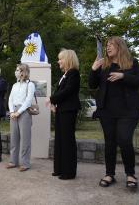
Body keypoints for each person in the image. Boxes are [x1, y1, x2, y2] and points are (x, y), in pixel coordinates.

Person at [89, 36, 139, 189]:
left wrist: (123, 76)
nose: (108, 47)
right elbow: (92, 85)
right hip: (107, 111)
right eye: (107, 45)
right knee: (110, 143)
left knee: (125, 140)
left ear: (120, 47)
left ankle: (130, 174)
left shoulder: (132, 63)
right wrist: (94, 69)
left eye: (111, 45)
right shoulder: (103, 65)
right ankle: (109, 174)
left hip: (128, 111)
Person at [46, 49, 81, 180]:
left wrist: (51, 99)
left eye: (61, 59)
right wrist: (55, 104)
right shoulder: (65, 74)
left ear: (68, 59)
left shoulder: (74, 73)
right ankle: (59, 169)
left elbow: (68, 91)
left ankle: (69, 172)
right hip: (62, 110)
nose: (58, 61)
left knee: (67, 141)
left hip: (69, 110)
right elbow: (61, 92)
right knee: (60, 140)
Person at [7, 63, 35, 172]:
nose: (16, 72)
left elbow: (28, 101)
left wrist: (18, 112)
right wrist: (12, 111)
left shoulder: (30, 84)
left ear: (23, 72)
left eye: (18, 70)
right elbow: (10, 99)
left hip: (24, 113)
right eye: (16, 70)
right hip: (13, 112)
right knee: (14, 138)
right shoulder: (14, 85)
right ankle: (13, 161)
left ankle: (25, 163)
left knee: (25, 139)